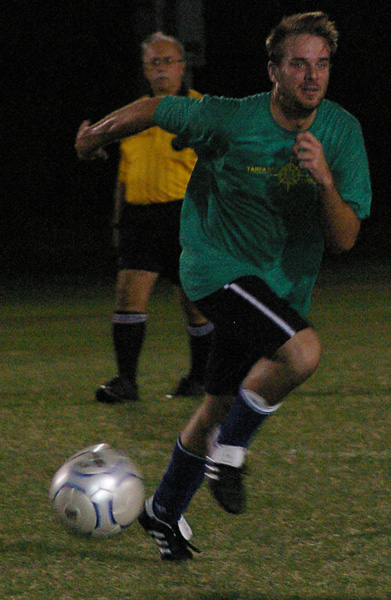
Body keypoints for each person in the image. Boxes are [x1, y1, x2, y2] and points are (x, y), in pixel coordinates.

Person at [76, 12, 371, 561]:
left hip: (277, 289)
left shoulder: (341, 132)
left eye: (322, 65)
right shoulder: (231, 119)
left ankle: (163, 511)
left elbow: (345, 238)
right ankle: (230, 453)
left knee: (214, 407)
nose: (312, 76)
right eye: (298, 64)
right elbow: (152, 109)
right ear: (274, 72)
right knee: (303, 351)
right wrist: (94, 135)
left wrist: (325, 180)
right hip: (216, 270)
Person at [94, 32, 214, 403]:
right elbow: (123, 174)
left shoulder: (202, 109)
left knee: (195, 302)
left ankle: (199, 378)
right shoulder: (135, 113)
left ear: (182, 66)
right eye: (154, 63)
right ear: (146, 70)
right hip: (140, 217)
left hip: (186, 215)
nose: (161, 69)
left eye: (168, 61)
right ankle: (126, 381)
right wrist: (118, 221)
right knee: (128, 295)